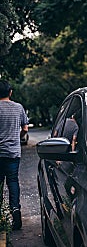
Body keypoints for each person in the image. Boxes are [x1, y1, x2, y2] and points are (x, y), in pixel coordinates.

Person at [0, 80, 29, 230]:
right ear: (10, 92)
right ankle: (15, 210)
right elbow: (25, 128)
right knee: (12, 182)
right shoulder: (18, 107)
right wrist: (18, 136)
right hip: (13, 152)